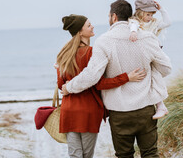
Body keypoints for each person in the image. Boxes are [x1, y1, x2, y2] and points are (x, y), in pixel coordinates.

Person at [61, 0, 172, 158]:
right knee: (150, 153)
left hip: (119, 113)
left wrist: (69, 87)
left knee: (124, 155)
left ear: (113, 17)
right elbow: (166, 68)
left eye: (108, 15)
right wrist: (148, 65)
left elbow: (92, 75)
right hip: (146, 109)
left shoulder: (104, 41)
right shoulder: (147, 38)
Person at [56, 14, 146, 158]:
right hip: (88, 111)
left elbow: (61, 86)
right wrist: (126, 77)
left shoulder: (63, 55)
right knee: (86, 155)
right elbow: (100, 84)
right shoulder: (91, 53)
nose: (92, 27)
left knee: (74, 154)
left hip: (68, 111)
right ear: (80, 31)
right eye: (88, 25)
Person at [128, 0, 172, 119]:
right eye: (148, 14)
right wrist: (133, 32)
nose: (150, 17)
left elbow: (168, 22)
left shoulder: (154, 23)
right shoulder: (136, 23)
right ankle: (160, 105)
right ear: (140, 13)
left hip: (154, 53)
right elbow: (133, 26)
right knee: (150, 78)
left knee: (156, 77)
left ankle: (161, 105)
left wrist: (162, 9)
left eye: (152, 14)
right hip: (143, 55)